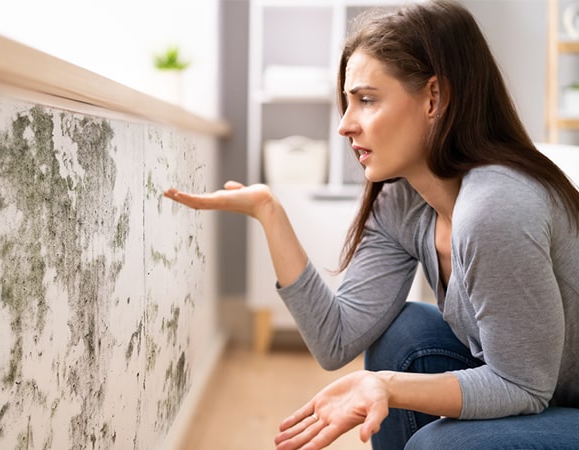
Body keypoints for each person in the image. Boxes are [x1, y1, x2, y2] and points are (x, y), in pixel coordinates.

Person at [164, 0, 579, 448]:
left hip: (549, 396)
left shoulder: (496, 209)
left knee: (435, 445)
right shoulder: (403, 203)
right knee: (403, 334)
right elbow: (336, 340)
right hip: (544, 390)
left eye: (366, 100)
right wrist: (269, 212)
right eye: (347, 103)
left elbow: (523, 386)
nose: (345, 126)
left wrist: (388, 386)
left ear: (434, 98)